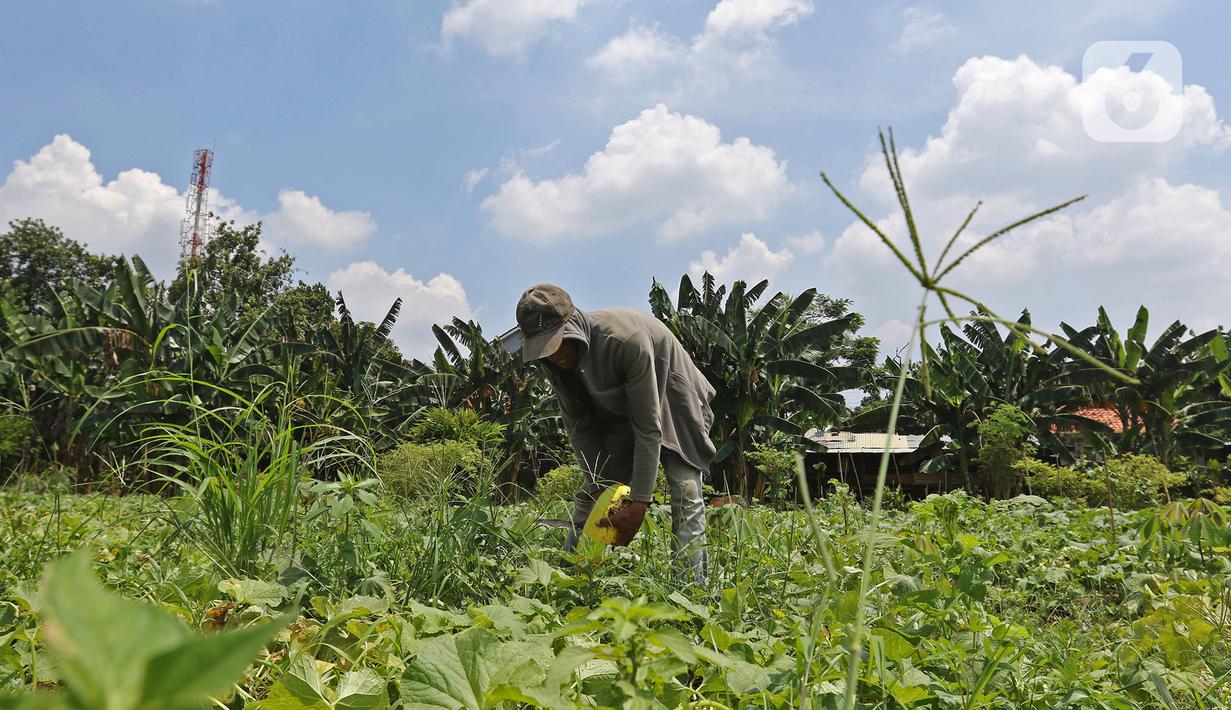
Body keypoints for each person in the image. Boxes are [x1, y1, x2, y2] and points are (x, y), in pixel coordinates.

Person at [516, 283, 716, 585]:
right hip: (618, 408)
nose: (553, 354)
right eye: (544, 346)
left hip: (674, 395)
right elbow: (579, 425)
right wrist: (597, 482)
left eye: (556, 342)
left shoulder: (624, 340)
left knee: (685, 489)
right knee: (591, 494)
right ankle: (566, 580)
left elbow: (649, 427)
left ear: (573, 326)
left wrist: (639, 504)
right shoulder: (554, 363)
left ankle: (691, 590)